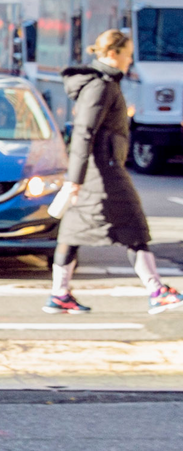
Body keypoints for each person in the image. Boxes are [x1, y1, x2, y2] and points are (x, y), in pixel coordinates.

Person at [47, 29, 182, 314]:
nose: (130, 61)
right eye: (128, 54)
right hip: (104, 172)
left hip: (97, 170)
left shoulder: (104, 84)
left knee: (72, 232)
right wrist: (74, 179)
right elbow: (84, 132)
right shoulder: (101, 86)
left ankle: (59, 294)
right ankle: (156, 290)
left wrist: (77, 179)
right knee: (133, 226)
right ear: (113, 54)